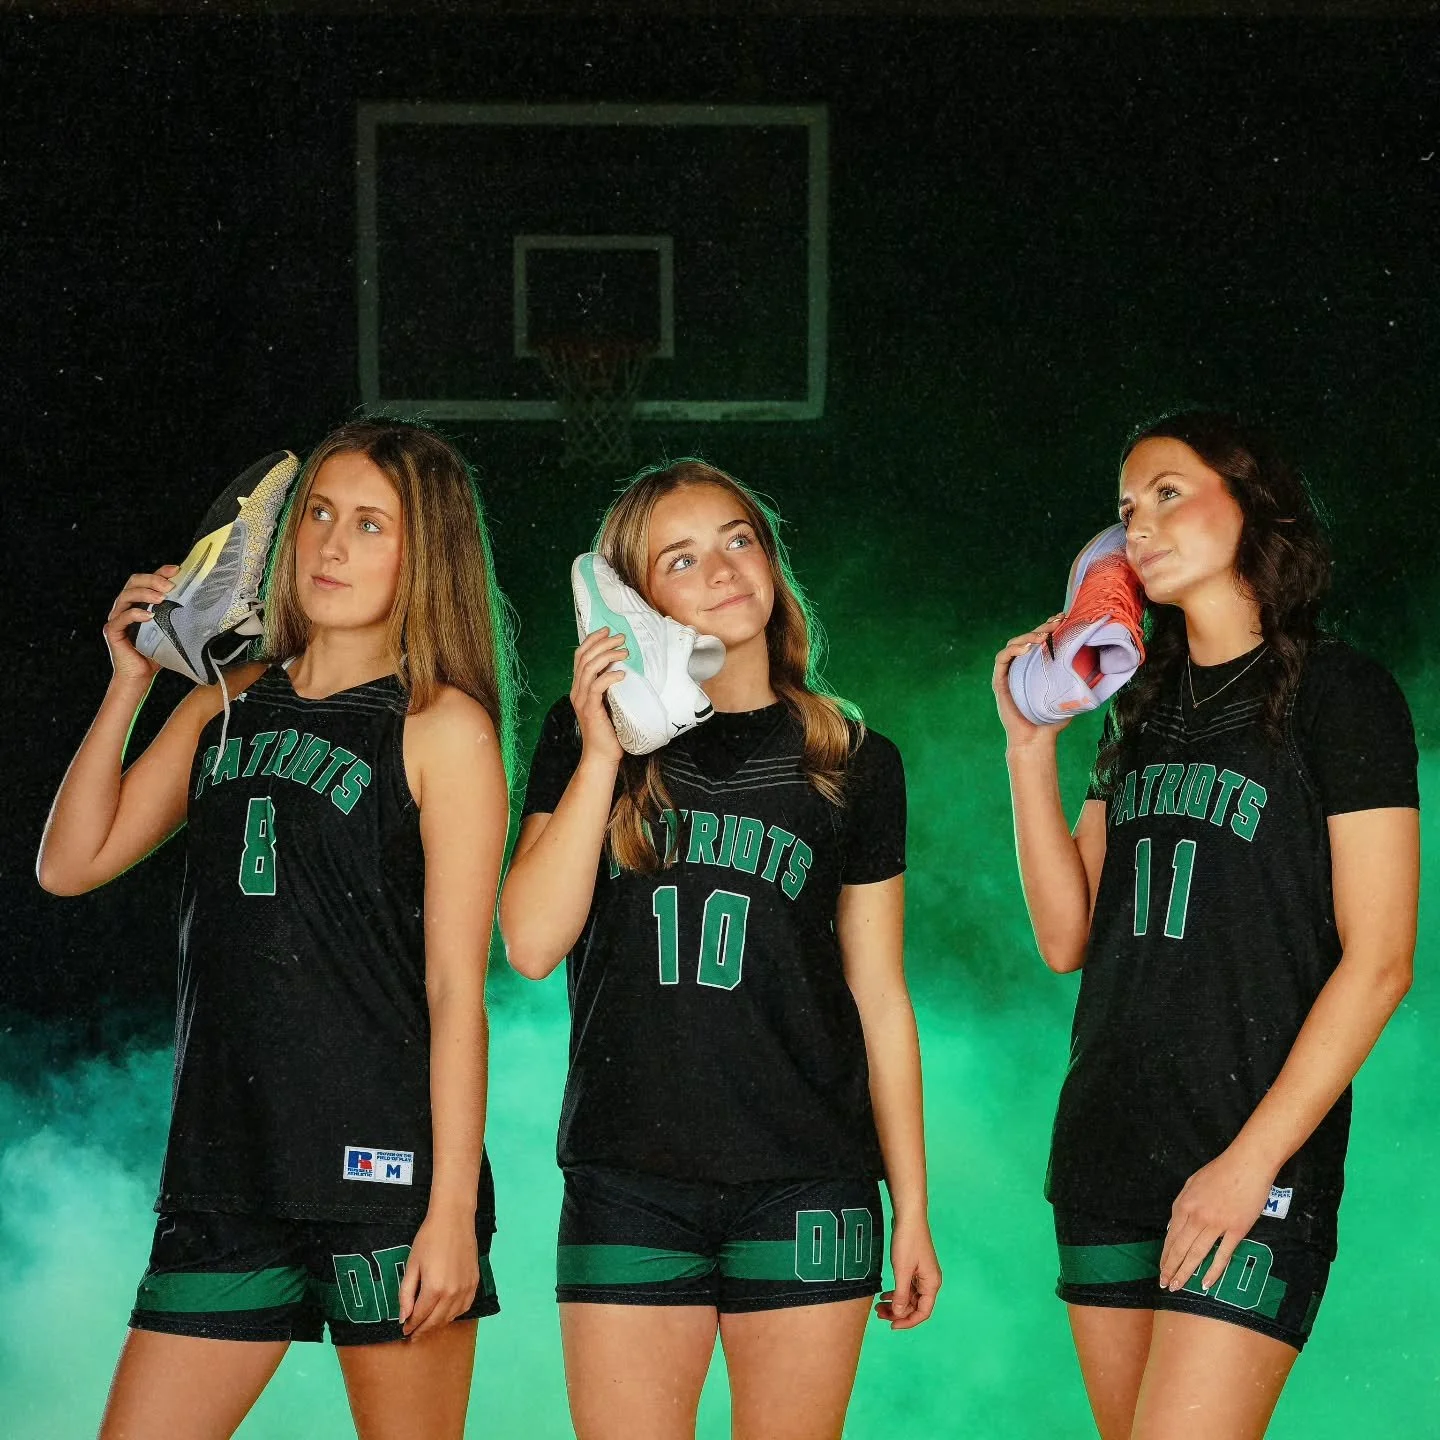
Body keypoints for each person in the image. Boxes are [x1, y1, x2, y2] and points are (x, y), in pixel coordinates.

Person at [38, 420, 514, 1440]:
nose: (333, 546)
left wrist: (446, 1216)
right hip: (228, 1170)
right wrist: (131, 680)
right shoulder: (227, 704)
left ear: (423, 553)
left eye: (371, 526)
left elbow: (450, 991)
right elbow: (70, 863)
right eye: (322, 518)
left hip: (384, 1179)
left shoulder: (443, 727)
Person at [992, 411, 1419, 1439]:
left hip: (1249, 1159)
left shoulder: (1341, 692)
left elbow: (1382, 961)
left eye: (1169, 493)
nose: (1138, 524)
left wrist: (1250, 1163)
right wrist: (1025, 748)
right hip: (1106, 1153)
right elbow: (1066, 939)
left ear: (1252, 501)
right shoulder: (1135, 707)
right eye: (1126, 508)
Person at [499, 460, 940, 1440]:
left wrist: (911, 1206)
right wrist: (607, 743)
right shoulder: (582, 747)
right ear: (631, 598)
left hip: (807, 1180)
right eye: (682, 558)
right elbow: (530, 943)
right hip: (627, 1181)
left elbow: (880, 999)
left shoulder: (853, 760)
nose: (724, 568)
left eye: (738, 539)